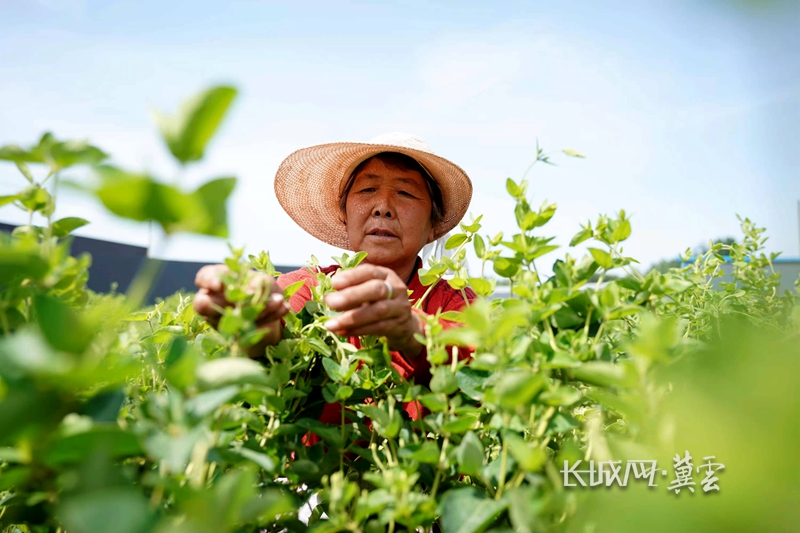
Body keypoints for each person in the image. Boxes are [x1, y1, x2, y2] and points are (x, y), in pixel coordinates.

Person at [193, 132, 476, 421]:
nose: (383, 207)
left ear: (433, 226)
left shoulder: (456, 301)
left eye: (405, 193)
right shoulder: (310, 288)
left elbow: (476, 363)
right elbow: (277, 336)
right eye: (367, 190)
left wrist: (412, 331)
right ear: (344, 214)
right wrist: (254, 316)